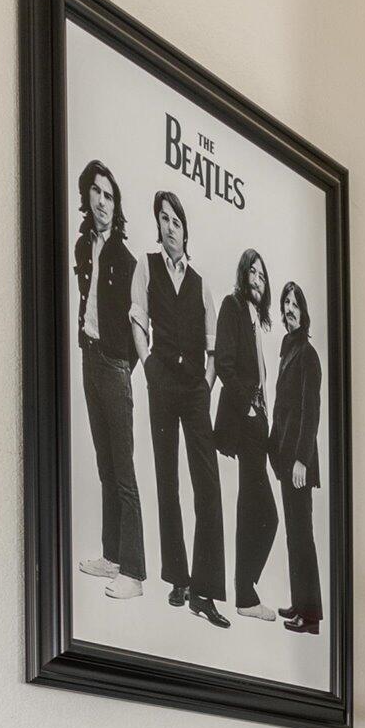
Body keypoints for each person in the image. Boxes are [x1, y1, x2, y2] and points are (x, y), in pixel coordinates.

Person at [141, 191, 227, 627]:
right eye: (163, 219)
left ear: (185, 228)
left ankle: (205, 591)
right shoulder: (148, 266)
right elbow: (138, 319)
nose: (169, 226)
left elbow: (213, 345)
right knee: (167, 479)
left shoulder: (200, 282)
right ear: (158, 226)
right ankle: (178, 578)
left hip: (194, 388)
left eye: (175, 220)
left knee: (207, 487)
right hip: (161, 383)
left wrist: (206, 385)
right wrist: (148, 365)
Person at [71, 160, 143, 597]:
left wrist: (120, 365)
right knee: (104, 464)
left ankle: (133, 572)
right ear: (88, 197)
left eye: (109, 195)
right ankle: (111, 555)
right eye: (96, 192)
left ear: (117, 206)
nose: (102, 201)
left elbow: (137, 325)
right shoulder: (84, 247)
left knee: (124, 470)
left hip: (115, 367)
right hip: (89, 357)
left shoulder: (127, 260)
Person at [213, 249, 281, 622]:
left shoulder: (257, 320)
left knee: (253, 508)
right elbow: (224, 362)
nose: (258, 278)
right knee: (265, 514)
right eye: (252, 272)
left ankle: (244, 593)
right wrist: (251, 409)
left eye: (263, 274)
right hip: (243, 421)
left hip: (257, 425)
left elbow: (259, 377)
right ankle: (245, 593)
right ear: (243, 275)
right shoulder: (232, 307)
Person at [270, 281, 324, 634]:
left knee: (302, 534)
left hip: (298, 463)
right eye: (285, 303)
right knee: (295, 534)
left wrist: (302, 459)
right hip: (286, 459)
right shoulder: (288, 349)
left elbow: (310, 411)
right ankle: (300, 603)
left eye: (295, 303)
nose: (289, 308)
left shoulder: (307, 353)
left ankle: (311, 615)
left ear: (304, 312)